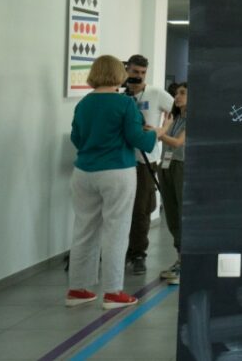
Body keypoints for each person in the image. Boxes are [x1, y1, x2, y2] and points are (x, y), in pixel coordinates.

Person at [65, 55, 160, 309]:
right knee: (116, 230)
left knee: (84, 228)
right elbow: (137, 138)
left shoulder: (84, 103)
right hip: (117, 171)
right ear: (120, 74)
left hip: (83, 172)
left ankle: (77, 288)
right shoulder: (125, 103)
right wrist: (157, 135)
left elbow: (77, 138)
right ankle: (113, 292)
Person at [122, 54, 174, 275]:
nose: (139, 77)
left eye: (143, 73)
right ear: (126, 71)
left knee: (141, 209)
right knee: (119, 208)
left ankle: (138, 253)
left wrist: (163, 131)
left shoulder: (155, 93)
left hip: (146, 159)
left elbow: (179, 110)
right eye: (135, 72)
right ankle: (121, 251)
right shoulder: (119, 94)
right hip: (121, 159)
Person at [157, 83, 187, 284]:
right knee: (171, 214)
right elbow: (166, 138)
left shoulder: (192, 119)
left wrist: (159, 133)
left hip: (181, 166)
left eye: (183, 93)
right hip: (166, 166)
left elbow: (177, 143)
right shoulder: (174, 118)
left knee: (182, 213)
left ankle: (185, 263)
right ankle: (179, 259)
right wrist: (161, 130)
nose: (177, 96)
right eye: (176, 93)